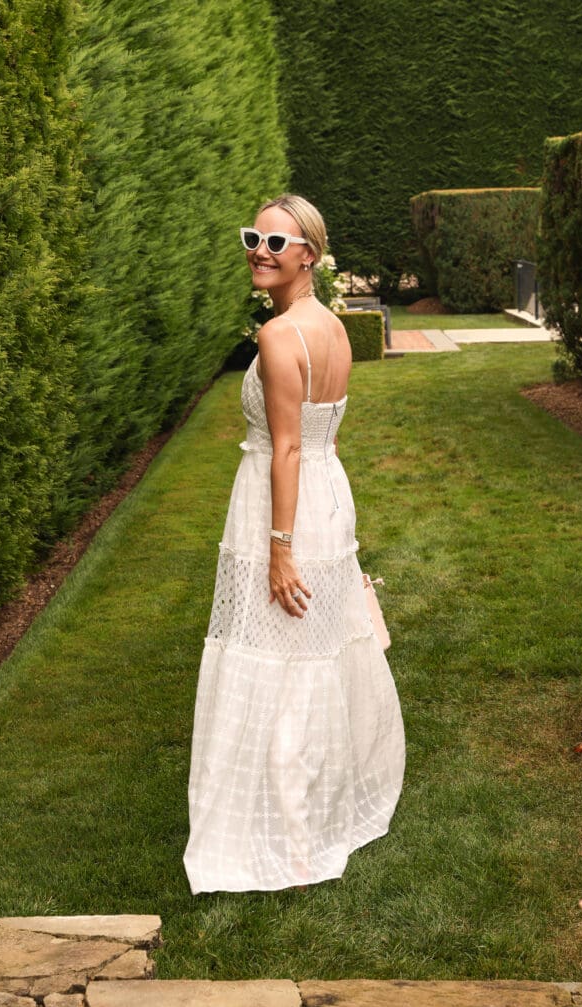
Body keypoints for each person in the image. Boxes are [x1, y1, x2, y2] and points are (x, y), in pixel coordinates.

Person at [183, 194, 405, 893]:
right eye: (253, 237)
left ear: (307, 254)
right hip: (326, 498)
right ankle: (317, 809)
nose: (258, 250)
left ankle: (289, 833)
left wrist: (280, 546)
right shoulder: (333, 329)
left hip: (281, 505)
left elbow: (286, 447)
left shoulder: (279, 338)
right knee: (314, 653)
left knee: (277, 658)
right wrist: (327, 522)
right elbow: (325, 438)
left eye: (275, 242)